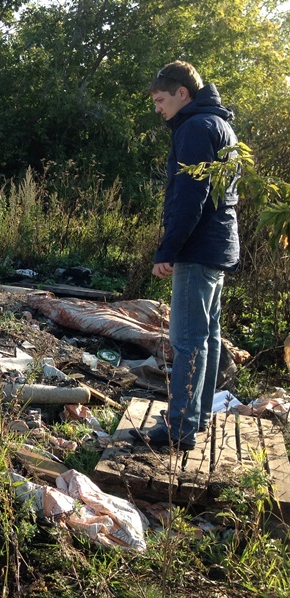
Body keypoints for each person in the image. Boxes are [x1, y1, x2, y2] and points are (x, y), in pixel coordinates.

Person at [132, 60, 240, 451]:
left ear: (183, 93)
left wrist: (168, 249)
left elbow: (190, 196)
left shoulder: (195, 127)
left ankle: (179, 428)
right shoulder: (221, 124)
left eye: (161, 100)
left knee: (186, 340)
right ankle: (198, 418)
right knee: (207, 338)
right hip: (217, 246)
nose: (158, 109)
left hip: (197, 248)